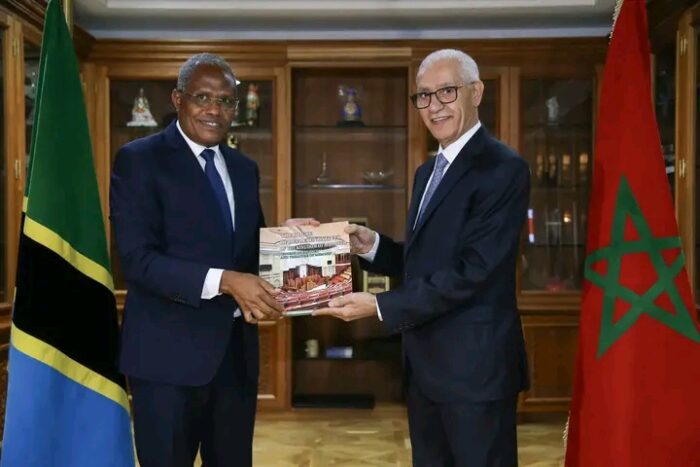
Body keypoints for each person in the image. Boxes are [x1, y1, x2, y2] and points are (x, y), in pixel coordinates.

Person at [316, 49, 531, 466]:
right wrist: (371, 246)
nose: (434, 106)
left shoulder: (502, 168)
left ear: (476, 93)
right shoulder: (427, 172)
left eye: (447, 91)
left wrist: (380, 305)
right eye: (424, 96)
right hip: (425, 373)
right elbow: (425, 264)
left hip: (475, 375)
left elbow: (474, 271)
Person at [110, 53, 284, 467]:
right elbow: (138, 260)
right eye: (202, 97)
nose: (214, 110)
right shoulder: (139, 159)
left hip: (235, 362)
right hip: (166, 363)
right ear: (178, 99)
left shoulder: (244, 168)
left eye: (225, 101)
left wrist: (293, 239)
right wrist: (225, 280)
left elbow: (249, 251)